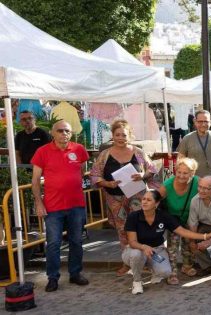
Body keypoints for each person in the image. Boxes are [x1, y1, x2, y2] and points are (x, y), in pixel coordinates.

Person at [90, 119, 158, 276]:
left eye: (124, 135)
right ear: (112, 136)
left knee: (142, 227)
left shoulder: (138, 153)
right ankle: (127, 262)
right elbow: (94, 175)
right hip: (115, 198)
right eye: (117, 135)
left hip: (138, 197)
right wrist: (108, 183)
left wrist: (142, 174)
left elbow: (152, 169)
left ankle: (146, 261)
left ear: (130, 136)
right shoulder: (105, 155)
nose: (121, 138)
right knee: (122, 230)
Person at [31, 121, 90, 292]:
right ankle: (53, 277)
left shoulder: (79, 149)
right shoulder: (42, 151)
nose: (64, 133)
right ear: (52, 133)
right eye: (60, 131)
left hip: (76, 204)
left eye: (67, 131)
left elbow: (81, 170)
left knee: (77, 241)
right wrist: (38, 202)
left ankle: (75, 274)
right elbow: (35, 181)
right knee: (54, 243)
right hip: (53, 206)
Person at [124, 190, 211, 294]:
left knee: (165, 272)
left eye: (148, 200)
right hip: (136, 249)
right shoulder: (133, 216)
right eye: (143, 199)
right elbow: (132, 242)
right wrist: (144, 247)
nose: (144, 202)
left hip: (156, 250)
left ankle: (154, 271)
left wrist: (205, 236)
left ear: (156, 203)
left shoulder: (163, 216)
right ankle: (137, 282)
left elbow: (182, 231)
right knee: (136, 255)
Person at [156, 158, 200, 285]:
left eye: (185, 173)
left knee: (188, 243)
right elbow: (155, 198)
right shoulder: (168, 185)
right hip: (172, 218)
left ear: (192, 173)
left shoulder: (197, 182)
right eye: (179, 172)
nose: (181, 175)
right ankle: (172, 272)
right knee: (173, 247)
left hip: (189, 216)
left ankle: (187, 266)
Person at [177, 110, 211, 178]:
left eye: (206, 121)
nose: (203, 124)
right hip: (193, 181)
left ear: (210, 122)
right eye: (200, 121)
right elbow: (180, 160)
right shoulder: (187, 139)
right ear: (195, 122)